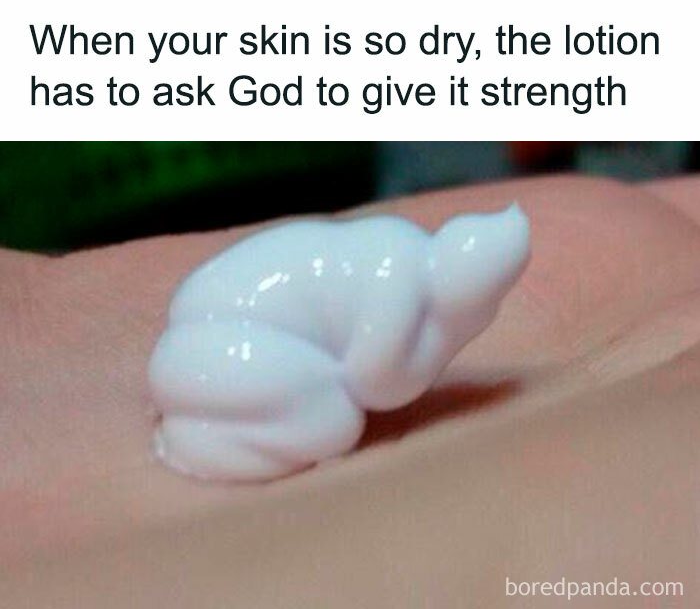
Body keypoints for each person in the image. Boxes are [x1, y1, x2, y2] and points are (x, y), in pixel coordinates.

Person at [1, 175, 698, 607]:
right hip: (219, 346)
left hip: (214, 335)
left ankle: (208, 432)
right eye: (476, 307)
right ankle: (201, 437)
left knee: (329, 415)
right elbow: (377, 382)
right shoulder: (398, 278)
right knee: (332, 419)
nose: (470, 325)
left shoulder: (397, 252)